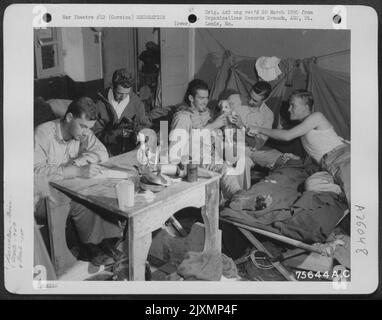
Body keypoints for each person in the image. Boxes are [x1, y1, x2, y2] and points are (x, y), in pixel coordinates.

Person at [34, 97, 122, 266]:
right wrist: (74, 171)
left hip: (63, 186)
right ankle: (90, 247)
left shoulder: (82, 132)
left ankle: (106, 242)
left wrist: (77, 163)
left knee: (95, 190)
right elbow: (35, 173)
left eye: (89, 128)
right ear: (68, 118)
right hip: (39, 195)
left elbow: (101, 152)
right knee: (79, 199)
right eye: (82, 126)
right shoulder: (43, 133)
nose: (85, 132)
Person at [248, 89, 350, 206]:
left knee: (354, 193)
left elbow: (287, 136)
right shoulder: (304, 130)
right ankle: (342, 196)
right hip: (328, 166)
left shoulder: (317, 116)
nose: (289, 109)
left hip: (341, 158)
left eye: (293, 105)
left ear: (306, 106)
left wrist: (257, 128)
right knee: (311, 185)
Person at [168, 79, 244, 204]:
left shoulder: (206, 113)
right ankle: (239, 199)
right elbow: (176, 152)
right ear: (191, 98)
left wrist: (232, 122)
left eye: (207, 98)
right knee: (226, 170)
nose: (205, 101)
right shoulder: (182, 117)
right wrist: (213, 126)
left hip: (211, 156)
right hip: (191, 162)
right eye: (201, 98)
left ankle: (239, 199)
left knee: (236, 162)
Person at [225, 85, 299, 169]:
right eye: (250, 96)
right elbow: (221, 109)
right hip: (229, 144)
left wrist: (242, 127)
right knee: (244, 162)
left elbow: (256, 144)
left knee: (283, 159)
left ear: (265, 100)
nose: (250, 101)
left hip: (250, 148)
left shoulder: (268, 115)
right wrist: (222, 105)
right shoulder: (235, 98)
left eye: (255, 100)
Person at [93, 68, 152, 156]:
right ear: (112, 86)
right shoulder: (99, 104)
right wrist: (116, 133)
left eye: (127, 93)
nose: (123, 97)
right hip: (106, 154)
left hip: (130, 153)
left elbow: (145, 126)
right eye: (119, 93)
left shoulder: (136, 103)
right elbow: (94, 136)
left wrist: (137, 132)